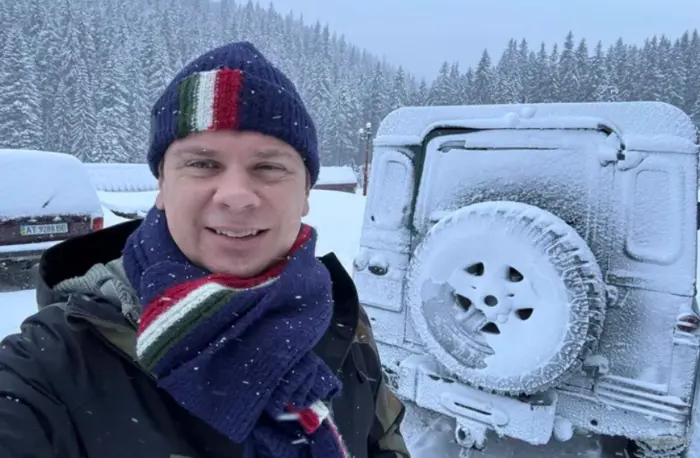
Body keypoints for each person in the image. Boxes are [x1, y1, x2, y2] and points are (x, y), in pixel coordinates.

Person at [0, 41, 410, 458]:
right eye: (202, 164)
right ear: (162, 185)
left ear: (305, 193)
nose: (236, 196)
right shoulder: (50, 364)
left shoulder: (339, 315)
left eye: (268, 166)